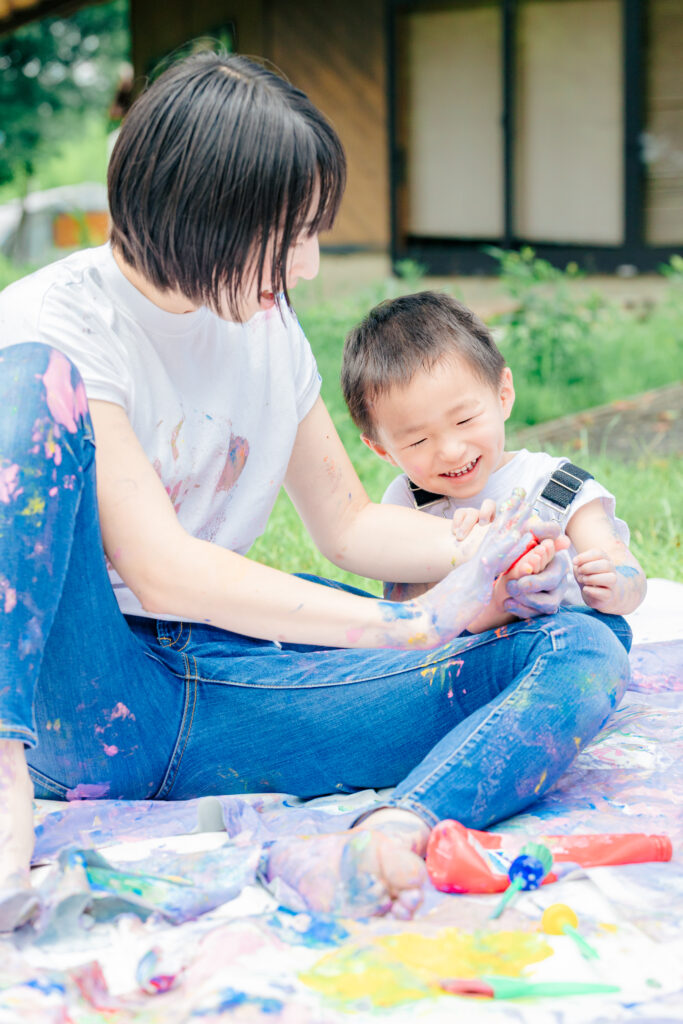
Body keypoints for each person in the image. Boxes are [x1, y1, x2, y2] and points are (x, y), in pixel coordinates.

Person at [0, 52, 631, 928]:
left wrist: (495, 555)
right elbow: (162, 570)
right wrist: (415, 622)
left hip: (226, 688)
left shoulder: (262, 322)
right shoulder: (56, 320)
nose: (306, 265)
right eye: (291, 233)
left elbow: (347, 524)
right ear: (205, 214)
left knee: (581, 639)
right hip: (84, 697)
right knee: (27, 379)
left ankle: (397, 830)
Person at [341, 290, 647, 627]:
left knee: (598, 633)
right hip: (464, 651)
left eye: (464, 420)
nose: (451, 451)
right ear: (383, 450)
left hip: (564, 636)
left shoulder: (558, 486)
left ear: (503, 395)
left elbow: (627, 570)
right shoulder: (406, 505)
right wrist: (479, 578)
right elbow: (404, 613)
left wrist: (614, 586)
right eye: (419, 440)